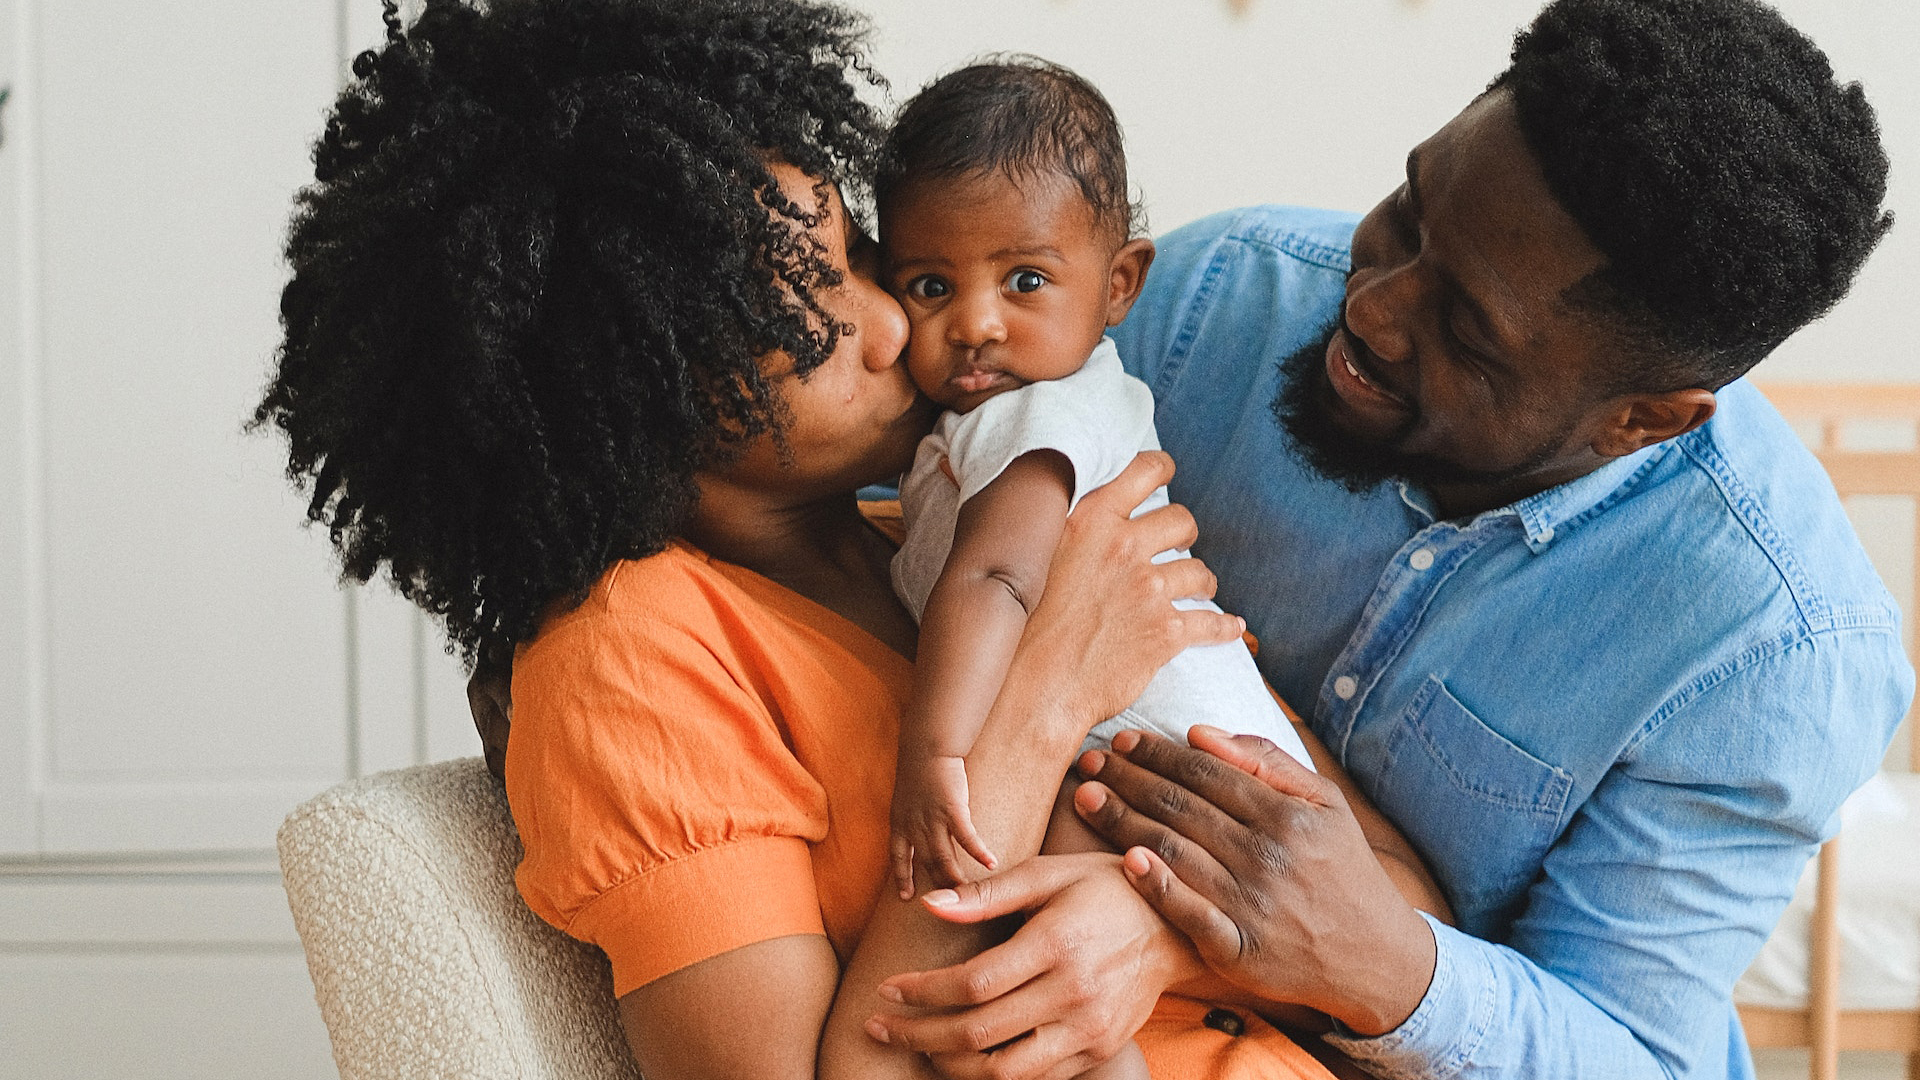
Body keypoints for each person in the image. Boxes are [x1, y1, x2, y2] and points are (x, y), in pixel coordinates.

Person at [258, 2, 1445, 1078]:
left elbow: (1394, 906)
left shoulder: (953, 524)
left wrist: (1149, 935)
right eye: (822, 322)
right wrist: (1045, 694)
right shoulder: (630, 656)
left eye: (867, 258)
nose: (903, 327)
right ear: (641, 398)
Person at [857, 1, 1915, 1079]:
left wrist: (1349, 963)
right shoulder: (1214, 301)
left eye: (1465, 329)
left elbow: (1634, 1052)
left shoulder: (1776, 649)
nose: (1368, 306)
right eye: (1409, 213)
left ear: (1642, 418)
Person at [874, 58, 1312, 937]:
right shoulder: (1015, 410)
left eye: (1024, 280)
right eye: (932, 286)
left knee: (1049, 933)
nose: (976, 323)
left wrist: (933, 757)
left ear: (1119, 284)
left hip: (1184, 780)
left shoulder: (1037, 411)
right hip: (1199, 788)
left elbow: (998, 577)